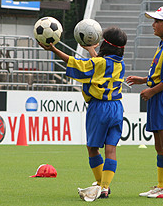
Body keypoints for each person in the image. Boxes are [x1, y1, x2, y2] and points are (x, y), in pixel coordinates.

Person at [38, 26, 127, 201]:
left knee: (92, 148)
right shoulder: (120, 64)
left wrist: (54, 49)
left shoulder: (98, 63)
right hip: (116, 107)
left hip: (99, 108)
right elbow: (101, 65)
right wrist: (91, 50)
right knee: (111, 149)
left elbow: (77, 64)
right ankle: (105, 187)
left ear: (105, 45)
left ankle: (100, 184)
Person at [126, 6, 163, 199]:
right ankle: (162, 185)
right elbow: (161, 74)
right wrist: (144, 80)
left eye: (157, 21)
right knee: (159, 146)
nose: (153, 24)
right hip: (159, 97)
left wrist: (151, 90)